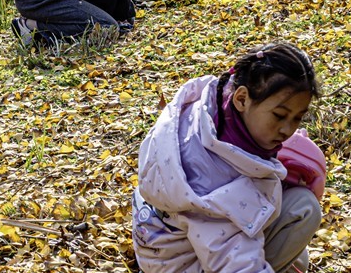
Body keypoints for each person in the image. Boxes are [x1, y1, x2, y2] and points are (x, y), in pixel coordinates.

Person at [133, 42, 324, 273]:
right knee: (303, 208)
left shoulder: (207, 111)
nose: (287, 130)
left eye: (296, 119)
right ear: (242, 99)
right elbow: (231, 259)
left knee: (298, 259)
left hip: (162, 250)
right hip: (192, 263)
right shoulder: (216, 181)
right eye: (279, 116)